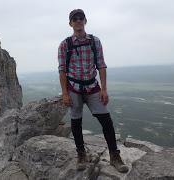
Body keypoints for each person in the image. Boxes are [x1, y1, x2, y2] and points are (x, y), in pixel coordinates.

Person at [58, 9, 129, 173]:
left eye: (80, 18)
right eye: (74, 19)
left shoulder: (94, 41)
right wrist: (65, 93)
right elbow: (62, 71)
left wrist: (104, 89)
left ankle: (114, 156)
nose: (78, 21)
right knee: (76, 121)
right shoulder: (65, 45)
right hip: (74, 87)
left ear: (85, 21)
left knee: (106, 120)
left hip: (92, 87)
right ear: (70, 23)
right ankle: (81, 154)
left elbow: (101, 65)